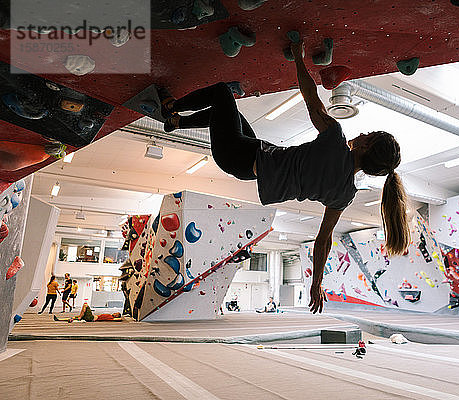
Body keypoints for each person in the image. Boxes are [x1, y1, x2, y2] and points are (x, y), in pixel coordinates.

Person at [161, 37, 410, 314]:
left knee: (222, 94)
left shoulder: (334, 140)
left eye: (368, 134)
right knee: (231, 118)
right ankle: (176, 123)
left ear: (367, 146)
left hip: (239, 155)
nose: (363, 133)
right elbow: (324, 240)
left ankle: (170, 107)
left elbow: (310, 96)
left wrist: (297, 56)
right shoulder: (345, 194)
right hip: (248, 162)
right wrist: (317, 282)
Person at [53, 302, 123, 322]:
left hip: (91, 318)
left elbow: (120, 319)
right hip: (91, 317)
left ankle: (80, 316)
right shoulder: (110, 315)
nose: (115, 313)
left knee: (85, 305)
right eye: (116, 313)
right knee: (74, 317)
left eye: (116, 314)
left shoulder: (111, 318)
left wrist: (119, 317)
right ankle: (59, 319)